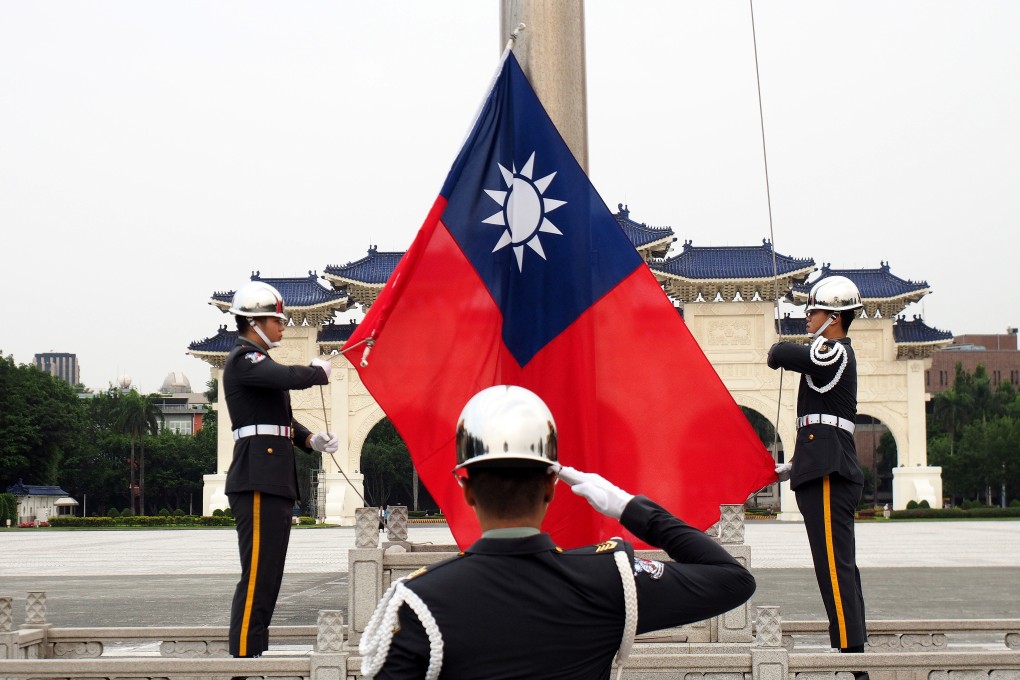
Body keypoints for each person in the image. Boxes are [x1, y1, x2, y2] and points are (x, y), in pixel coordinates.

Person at [359, 385, 756, 680]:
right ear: (552, 486)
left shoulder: (418, 600)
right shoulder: (609, 579)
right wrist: (630, 508)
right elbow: (732, 579)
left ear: (465, 488)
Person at [222, 280, 340, 659]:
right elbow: (287, 377)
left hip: (272, 478)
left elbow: (280, 420)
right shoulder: (245, 359)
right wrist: (317, 371)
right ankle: (243, 654)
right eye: (277, 319)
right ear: (254, 322)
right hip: (257, 478)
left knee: (270, 573)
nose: (283, 326)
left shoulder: (261, 363)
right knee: (258, 573)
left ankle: (253, 650)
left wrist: (310, 440)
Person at [767, 275, 868, 655]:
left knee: (834, 565)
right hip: (821, 465)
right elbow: (818, 422)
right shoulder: (826, 355)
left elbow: (787, 355)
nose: (808, 317)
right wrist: (794, 462)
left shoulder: (835, 351)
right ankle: (851, 645)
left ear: (835, 318)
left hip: (829, 472)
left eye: (815, 311)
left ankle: (850, 649)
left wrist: (777, 348)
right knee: (835, 563)